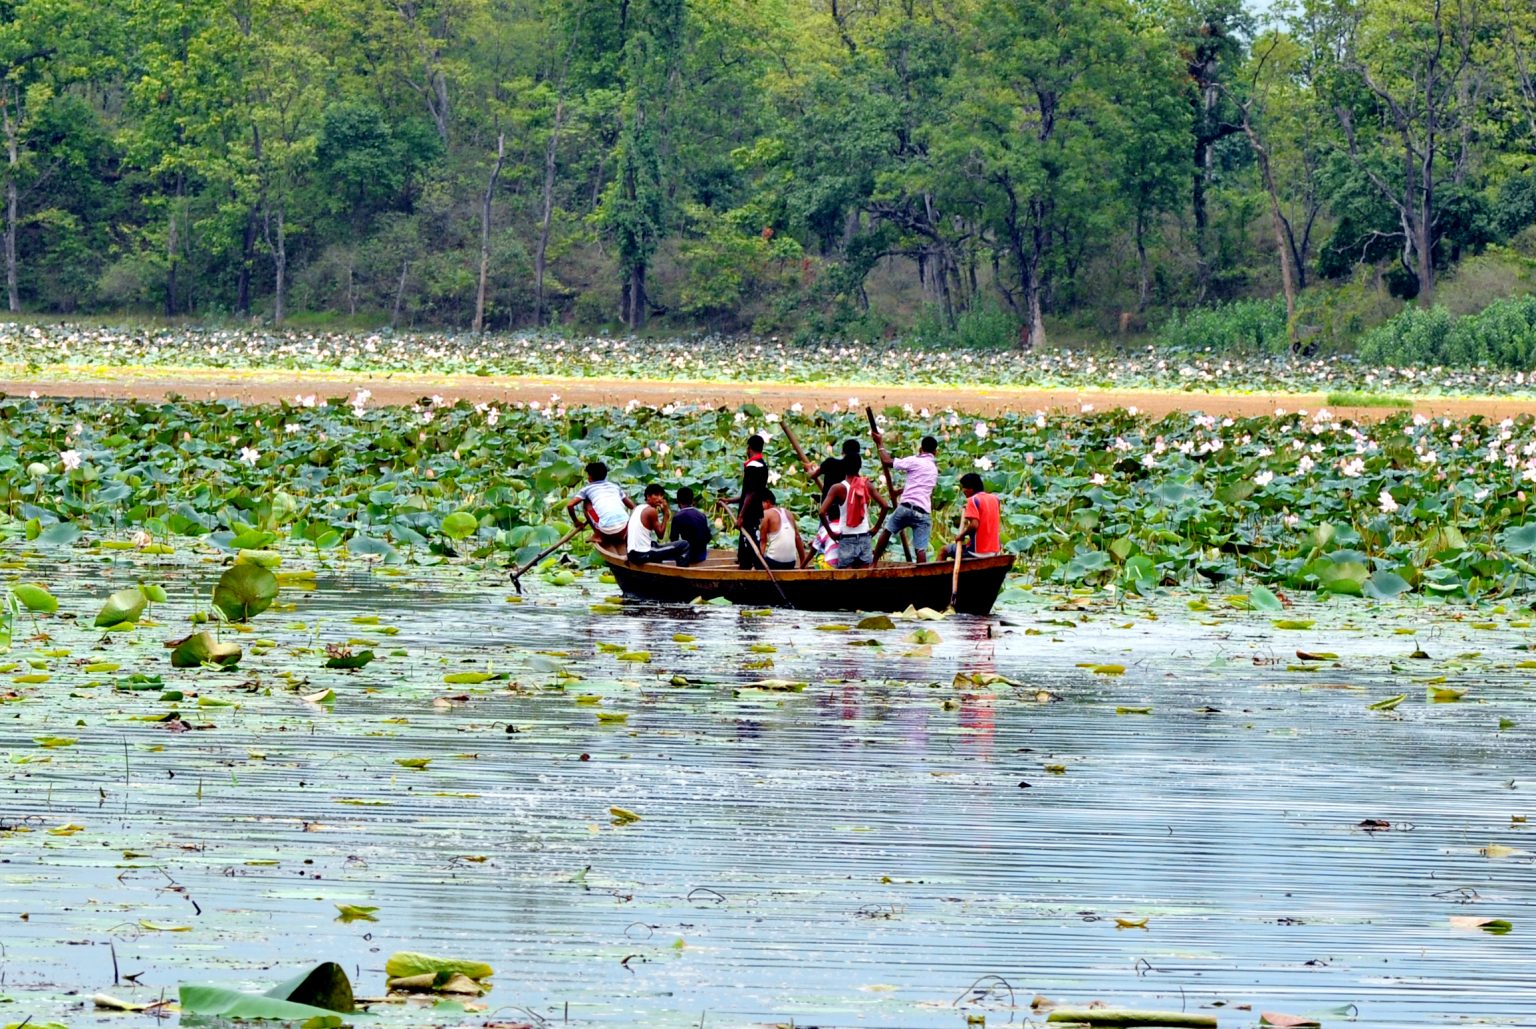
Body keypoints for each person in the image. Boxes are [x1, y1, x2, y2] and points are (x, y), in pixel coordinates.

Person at [872, 430, 939, 564]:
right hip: (923, 512)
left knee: (887, 531)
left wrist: (880, 444)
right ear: (935, 453)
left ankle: (873, 563)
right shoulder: (934, 469)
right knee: (921, 549)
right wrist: (899, 491)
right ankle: (922, 575)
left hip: (905, 508)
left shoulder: (914, 460)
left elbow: (886, 461)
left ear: (920, 449)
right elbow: (921, 487)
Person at [819, 453, 888, 569]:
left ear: (844, 467)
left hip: (846, 538)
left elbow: (821, 512)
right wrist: (876, 528)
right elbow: (885, 506)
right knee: (864, 576)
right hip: (864, 537)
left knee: (846, 578)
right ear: (859, 467)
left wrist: (830, 533)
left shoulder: (837, 488)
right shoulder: (866, 485)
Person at [728, 434, 770, 569]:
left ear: (749, 448)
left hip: (749, 514)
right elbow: (751, 493)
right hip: (755, 511)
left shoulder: (752, 467)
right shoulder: (763, 465)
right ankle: (745, 565)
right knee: (749, 542)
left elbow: (751, 493)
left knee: (749, 543)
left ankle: (748, 569)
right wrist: (729, 501)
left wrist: (741, 516)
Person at [567, 461, 633, 546]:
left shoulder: (587, 489)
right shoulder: (615, 487)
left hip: (606, 531)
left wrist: (576, 521)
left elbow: (570, 505)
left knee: (586, 503)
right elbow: (632, 506)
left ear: (590, 477)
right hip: (625, 529)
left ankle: (598, 535)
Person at [626, 484, 690, 564]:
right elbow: (660, 535)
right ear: (648, 497)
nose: (660, 499)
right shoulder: (651, 511)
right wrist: (666, 514)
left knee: (654, 543)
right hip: (642, 554)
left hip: (631, 553)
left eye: (661, 495)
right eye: (656, 495)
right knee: (684, 544)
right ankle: (682, 573)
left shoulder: (638, 508)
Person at [944, 472, 1002, 560]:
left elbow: (974, 525)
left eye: (963, 487)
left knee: (943, 550)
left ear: (970, 488)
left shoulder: (972, 500)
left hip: (978, 551)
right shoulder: (995, 499)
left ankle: (935, 573)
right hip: (995, 550)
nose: (963, 490)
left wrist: (961, 535)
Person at [758, 490, 807, 570]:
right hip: (791, 563)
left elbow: (763, 542)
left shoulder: (766, 513)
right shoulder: (789, 513)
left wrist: (758, 565)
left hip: (773, 562)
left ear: (767, 502)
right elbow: (797, 538)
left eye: (760, 504)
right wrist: (803, 563)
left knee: (756, 560)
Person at [668, 486, 712, 566]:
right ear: (692, 500)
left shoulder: (677, 517)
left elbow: (673, 539)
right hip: (702, 556)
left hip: (688, 557)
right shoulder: (702, 515)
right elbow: (708, 537)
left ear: (678, 501)